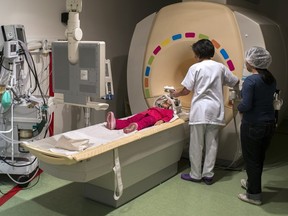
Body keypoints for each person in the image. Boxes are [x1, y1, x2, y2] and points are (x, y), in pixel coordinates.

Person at [170, 39, 239, 185]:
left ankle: (195, 174)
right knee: (212, 143)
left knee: (196, 143)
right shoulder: (220, 67)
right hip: (215, 110)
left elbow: (186, 90)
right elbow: (235, 82)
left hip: (200, 110)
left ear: (198, 54)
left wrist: (176, 94)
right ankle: (208, 175)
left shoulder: (195, 68)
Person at [237, 46, 276, 205]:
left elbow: (246, 105)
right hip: (269, 124)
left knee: (251, 160)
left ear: (251, 63)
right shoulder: (271, 78)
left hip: (253, 125)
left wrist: (237, 106)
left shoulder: (250, 81)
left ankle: (254, 195)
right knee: (259, 157)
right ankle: (252, 183)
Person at [106, 99, 174, 133]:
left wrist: (161, 121)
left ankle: (135, 127)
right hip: (144, 113)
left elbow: (168, 117)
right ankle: (115, 123)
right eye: (164, 102)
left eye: (167, 104)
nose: (164, 104)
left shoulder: (169, 111)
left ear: (169, 106)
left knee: (144, 122)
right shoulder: (157, 107)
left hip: (153, 118)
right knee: (131, 119)